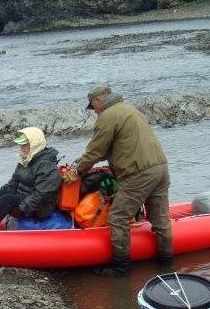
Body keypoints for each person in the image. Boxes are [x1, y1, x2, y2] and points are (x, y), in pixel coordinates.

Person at [66, 85, 172, 274]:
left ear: (98, 101)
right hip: (160, 168)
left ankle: (121, 269)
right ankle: (166, 264)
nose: (95, 112)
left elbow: (95, 151)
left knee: (117, 217)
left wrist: (77, 171)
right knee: (160, 219)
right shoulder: (130, 109)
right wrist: (79, 163)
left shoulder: (107, 116)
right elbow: (105, 150)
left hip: (139, 173)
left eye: (93, 107)